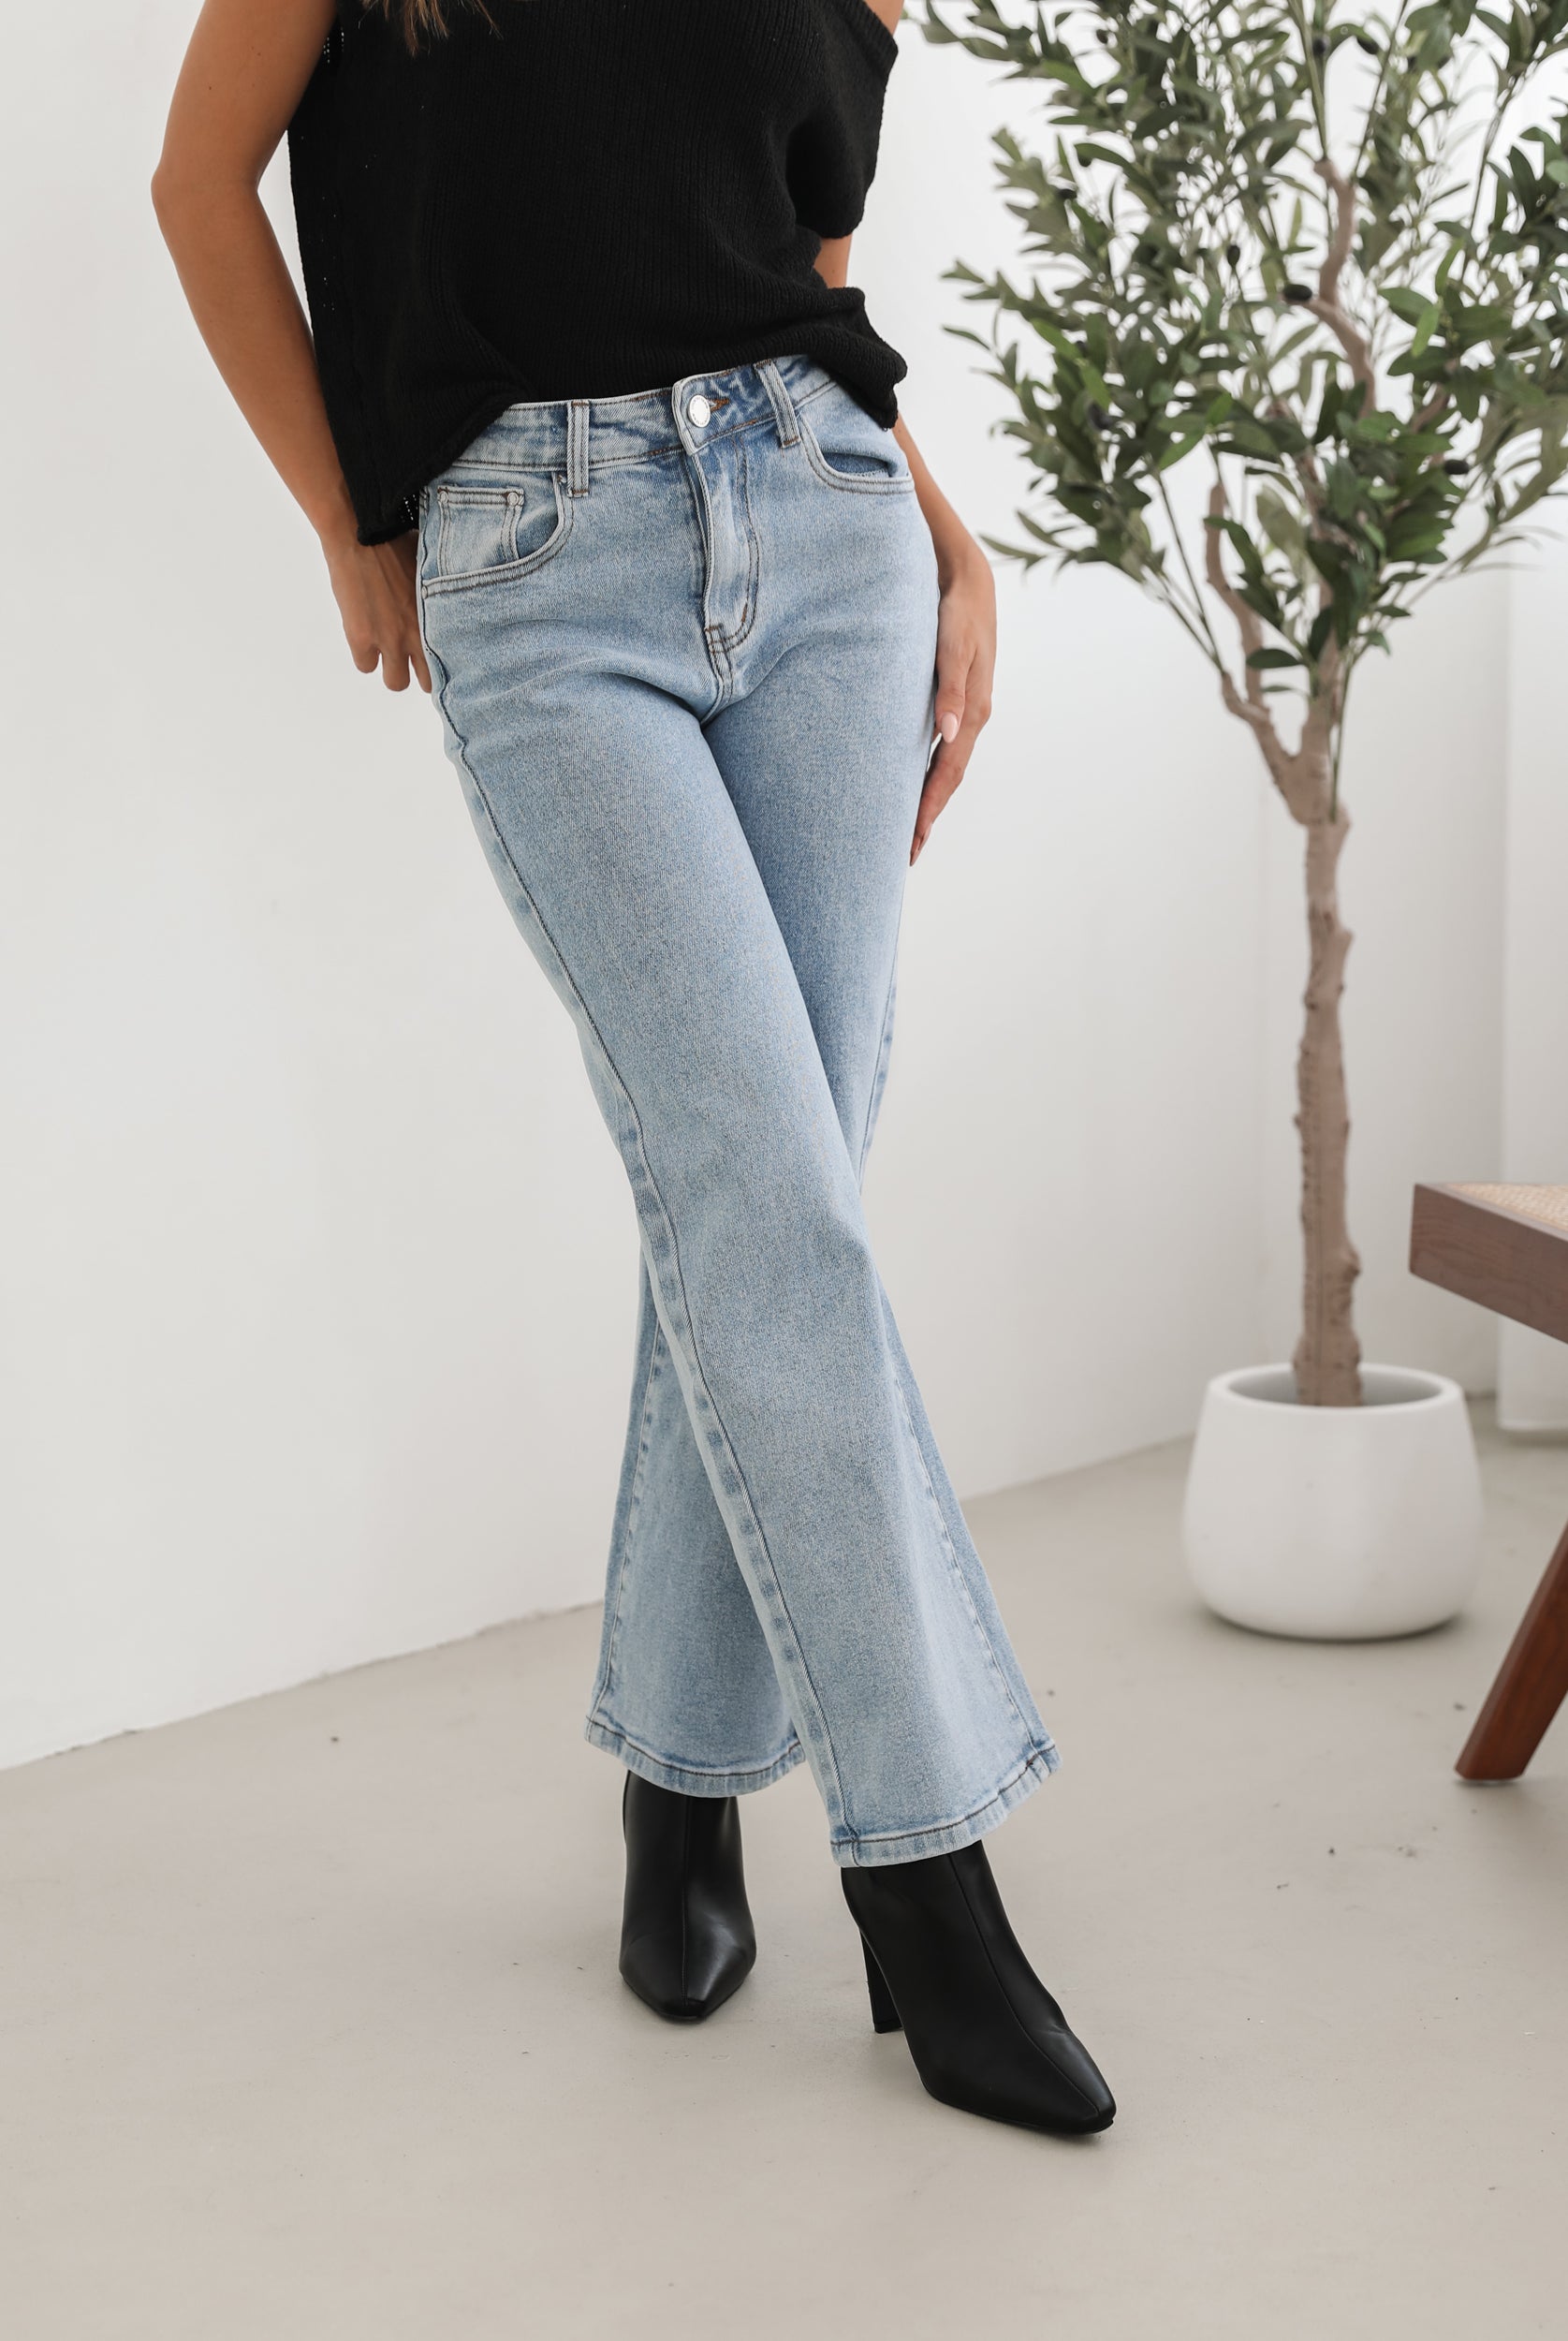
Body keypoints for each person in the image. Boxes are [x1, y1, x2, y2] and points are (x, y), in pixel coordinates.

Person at [153, 0, 1114, 2138]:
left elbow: (797, 259)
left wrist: (939, 525)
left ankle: (681, 1784)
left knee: (781, 1197)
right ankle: (928, 1879)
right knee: (763, 1195)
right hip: (535, 557)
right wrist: (347, 512)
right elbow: (195, 185)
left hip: (832, 532)